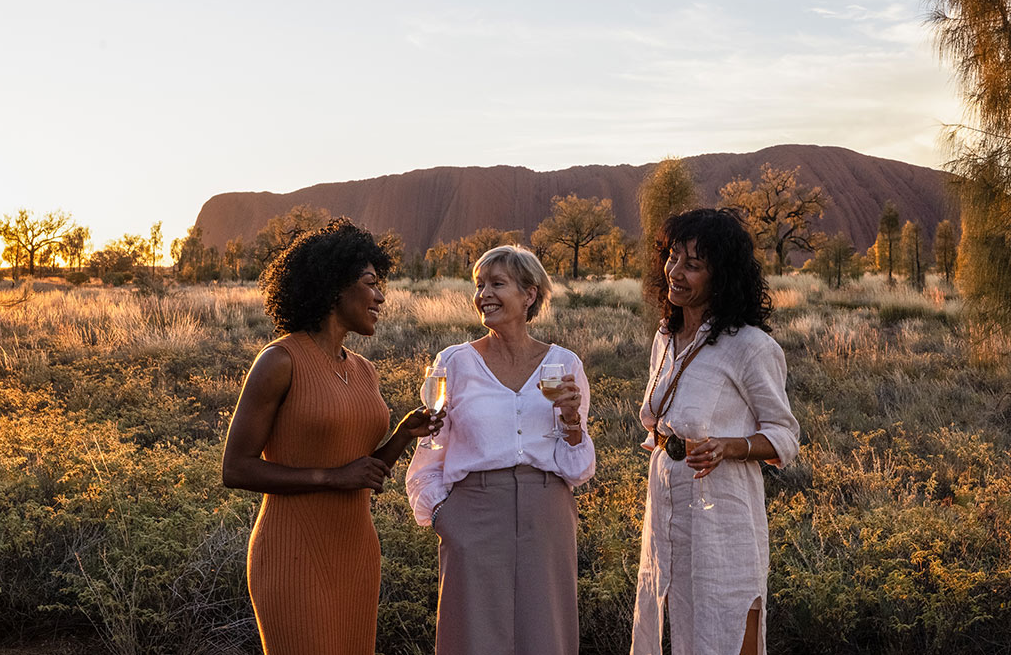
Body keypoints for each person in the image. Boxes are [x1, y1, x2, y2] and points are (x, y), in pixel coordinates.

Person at [222, 218, 441, 655]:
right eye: (370, 283)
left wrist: (401, 436)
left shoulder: (364, 370)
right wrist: (332, 478)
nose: (381, 296)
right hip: (292, 550)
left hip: (357, 549)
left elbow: (360, 469)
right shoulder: (280, 361)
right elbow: (236, 468)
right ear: (333, 287)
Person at [406, 245, 596, 655]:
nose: (484, 295)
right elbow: (428, 454)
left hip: (546, 515)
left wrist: (572, 422)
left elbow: (578, 470)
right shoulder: (453, 363)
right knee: (472, 638)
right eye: (479, 285)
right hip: (472, 512)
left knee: (547, 636)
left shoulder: (564, 365)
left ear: (529, 295)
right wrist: (444, 516)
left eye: (497, 284)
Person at [631, 208, 800, 655]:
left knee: (724, 614)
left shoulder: (750, 347)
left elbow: (784, 435)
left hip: (721, 510)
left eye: (694, 264)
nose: (676, 272)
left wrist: (731, 446)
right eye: (672, 258)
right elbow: (659, 420)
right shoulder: (664, 337)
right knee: (668, 612)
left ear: (721, 275)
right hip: (667, 498)